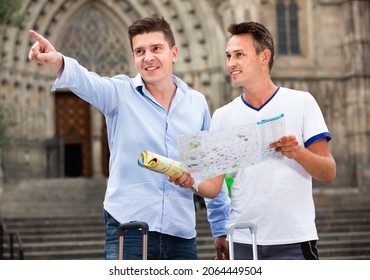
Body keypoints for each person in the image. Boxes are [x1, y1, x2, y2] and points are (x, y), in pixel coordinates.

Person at [28, 16, 230, 260]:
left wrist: (220, 228)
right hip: (130, 229)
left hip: (181, 233)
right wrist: (58, 61)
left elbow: (209, 168)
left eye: (156, 48)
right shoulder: (119, 93)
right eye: (139, 51)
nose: (148, 57)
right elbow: (86, 81)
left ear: (174, 53)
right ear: (134, 57)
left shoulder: (196, 103)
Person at [170, 21, 336, 260]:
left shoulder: (301, 102)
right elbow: (213, 187)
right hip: (243, 240)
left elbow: (328, 172)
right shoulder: (223, 116)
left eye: (239, 55)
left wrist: (298, 152)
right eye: (228, 56)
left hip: (294, 239)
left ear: (264, 56)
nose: (231, 63)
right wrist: (188, 180)